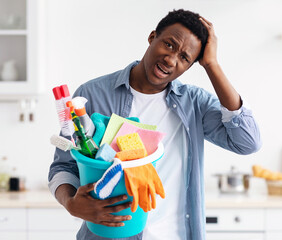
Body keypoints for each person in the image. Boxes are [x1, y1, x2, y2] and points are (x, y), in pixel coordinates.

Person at [48, 9, 261, 240]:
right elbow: (62, 168)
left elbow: (247, 142)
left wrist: (212, 65)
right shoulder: (93, 94)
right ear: (152, 37)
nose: (171, 59)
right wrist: (70, 203)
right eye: (169, 45)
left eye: (184, 58)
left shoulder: (194, 104)